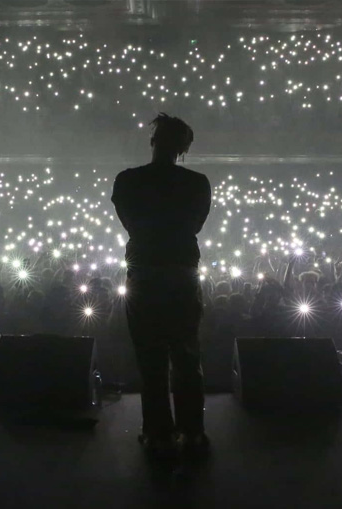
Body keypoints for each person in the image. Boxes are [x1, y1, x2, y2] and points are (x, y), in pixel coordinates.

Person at [111, 113, 211, 458]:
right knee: (186, 353)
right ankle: (193, 431)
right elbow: (195, 225)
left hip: (145, 274)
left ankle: (158, 433)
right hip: (182, 272)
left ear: (153, 141)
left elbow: (130, 223)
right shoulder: (198, 183)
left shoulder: (127, 181)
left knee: (150, 356)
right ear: (183, 148)